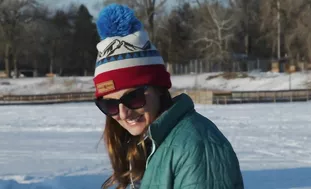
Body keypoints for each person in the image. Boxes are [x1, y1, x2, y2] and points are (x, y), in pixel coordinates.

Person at [93, 4, 244, 189]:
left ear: (158, 88)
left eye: (133, 98)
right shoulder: (145, 145)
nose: (123, 114)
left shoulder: (196, 147)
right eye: (109, 104)